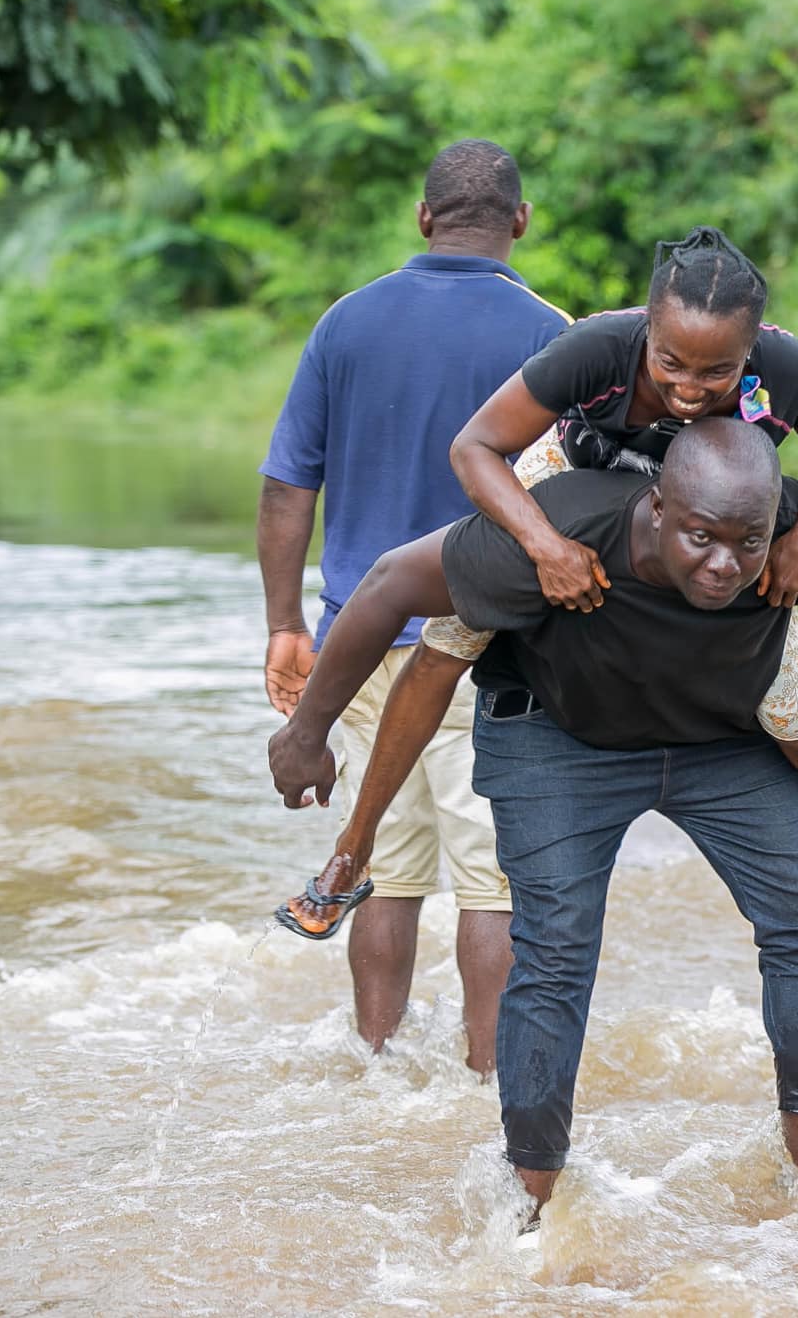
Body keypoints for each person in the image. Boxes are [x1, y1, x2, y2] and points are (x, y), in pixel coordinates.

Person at [267, 418, 798, 1220]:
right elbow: (413, 634)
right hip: (561, 733)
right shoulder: (547, 527)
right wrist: (333, 784)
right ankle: (530, 1209)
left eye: (745, 543)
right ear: (654, 511)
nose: (724, 565)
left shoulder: (782, 531)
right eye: (701, 540)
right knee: (552, 952)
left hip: (723, 728)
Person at [434, 226, 798, 969]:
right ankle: (355, 848)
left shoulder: (786, 367)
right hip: (587, 476)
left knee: (784, 708)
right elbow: (475, 448)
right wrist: (545, 546)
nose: (690, 387)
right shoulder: (595, 351)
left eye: (719, 371)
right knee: (457, 629)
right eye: (671, 361)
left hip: (719, 517)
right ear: (646, 330)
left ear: (750, 357)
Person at [256, 140, 570, 1076]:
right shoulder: (553, 333)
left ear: (423, 219)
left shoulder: (345, 324)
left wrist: (285, 625)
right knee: (492, 885)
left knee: (383, 874)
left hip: (361, 641)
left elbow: (286, 488)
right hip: (494, 649)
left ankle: (376, 1066)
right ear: (519, 222)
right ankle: (486, 1086)